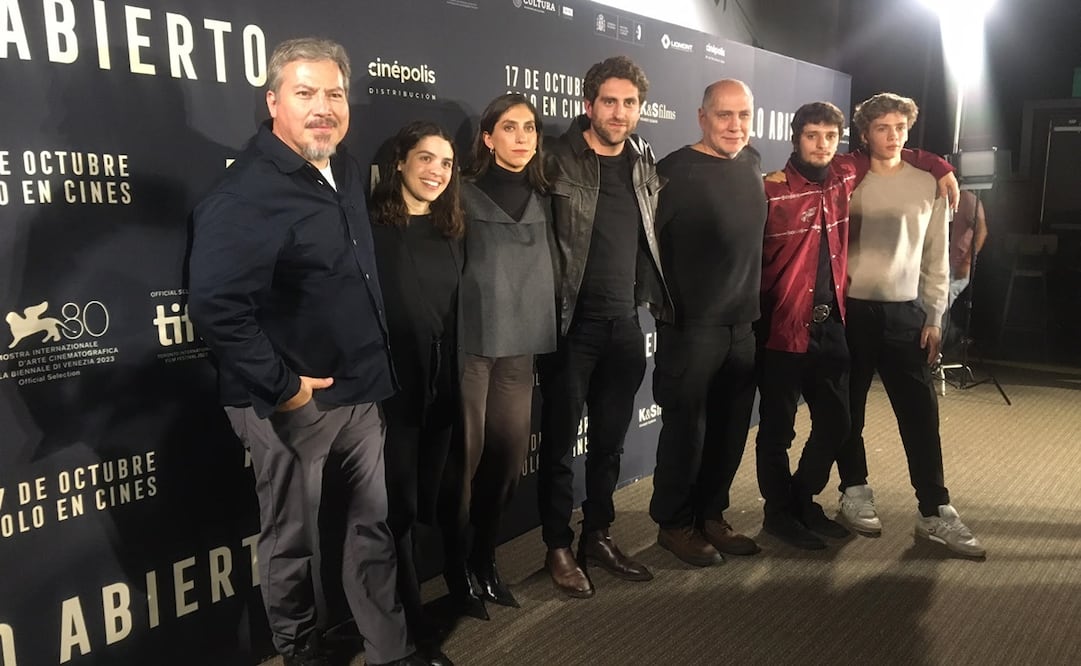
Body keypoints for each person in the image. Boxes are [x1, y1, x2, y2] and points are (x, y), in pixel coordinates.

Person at [188, 38, 424, 666]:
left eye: (335, 94)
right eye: (305, 93)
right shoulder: (246, 195)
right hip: (289, 407)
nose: (323, 107)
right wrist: (284, 385)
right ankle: (301, 656)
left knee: (370, 531)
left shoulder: (342, 167)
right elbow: (214, 308)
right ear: (273, 103)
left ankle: (390, 651)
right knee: (293, 547)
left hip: (361, 393)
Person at [756, 102, 959, 551]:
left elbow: (897, 154)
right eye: (812, 136)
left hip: (839, 325)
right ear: (796, 137)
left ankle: (801, 499)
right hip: (786, 325)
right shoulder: (778, 188)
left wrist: (937, 163)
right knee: (779, 427)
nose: (822, 144)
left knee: (839, 421)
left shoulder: (844, 176)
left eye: (830, 136)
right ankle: (783, 511)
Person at [538, 55, 669, 597]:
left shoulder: (643, 159)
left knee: (611, 443)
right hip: (570, 327)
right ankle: (556, 545)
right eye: (609, 102)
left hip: (624, 324)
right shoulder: (555, 161)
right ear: (587, 105)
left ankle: (598, 533)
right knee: (561, 445)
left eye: (630, 103)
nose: (620, 113)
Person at [836, 92, 985, 557]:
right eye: (883, 127)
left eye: (900, 127)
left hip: (906, 314)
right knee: (848, 411)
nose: (893, 136)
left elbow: (936, 256)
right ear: (866, 133)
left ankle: (934, 510)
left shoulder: (930, 182)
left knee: (920, 416)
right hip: (851, 312)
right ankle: (853, 490)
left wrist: (936, 315)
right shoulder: (847, 176)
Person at [648, 79, 763, 566]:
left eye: (743, 116)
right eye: (724, 116)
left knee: (730, 429)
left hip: (743, 326)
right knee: (686, 432)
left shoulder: (752, 163)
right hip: (692, 328)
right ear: (701, 117)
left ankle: (711, 514)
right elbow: (643, 246)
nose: (735, 126)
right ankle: (674, 524)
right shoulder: (672, 173)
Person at [457, 93, 557, 611]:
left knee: (506, 464)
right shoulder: (459, 195)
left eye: (530, 128)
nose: (522, 137)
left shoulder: (550, 198)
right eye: (510, 127)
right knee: (466, 464)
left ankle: (483, 558)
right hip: (472, 351)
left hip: (520, 354)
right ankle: (458, 572)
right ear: (488, 136)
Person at [370, 121, 464, 666]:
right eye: (426, 159)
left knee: (429, 501)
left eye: (446, 163)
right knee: (397, 510)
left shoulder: (453, 227)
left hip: (443, 390)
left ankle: (425, 604)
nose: (436, 171)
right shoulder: (375, 228)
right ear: (401, 162)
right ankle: (409, 631)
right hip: (394, 393)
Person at [949, 189, 989, 307]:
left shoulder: (968, 199)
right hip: (945, 261)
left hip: (958, 263)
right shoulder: (948, 197)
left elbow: (982, 231)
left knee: (940, 307)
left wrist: (967, 262)